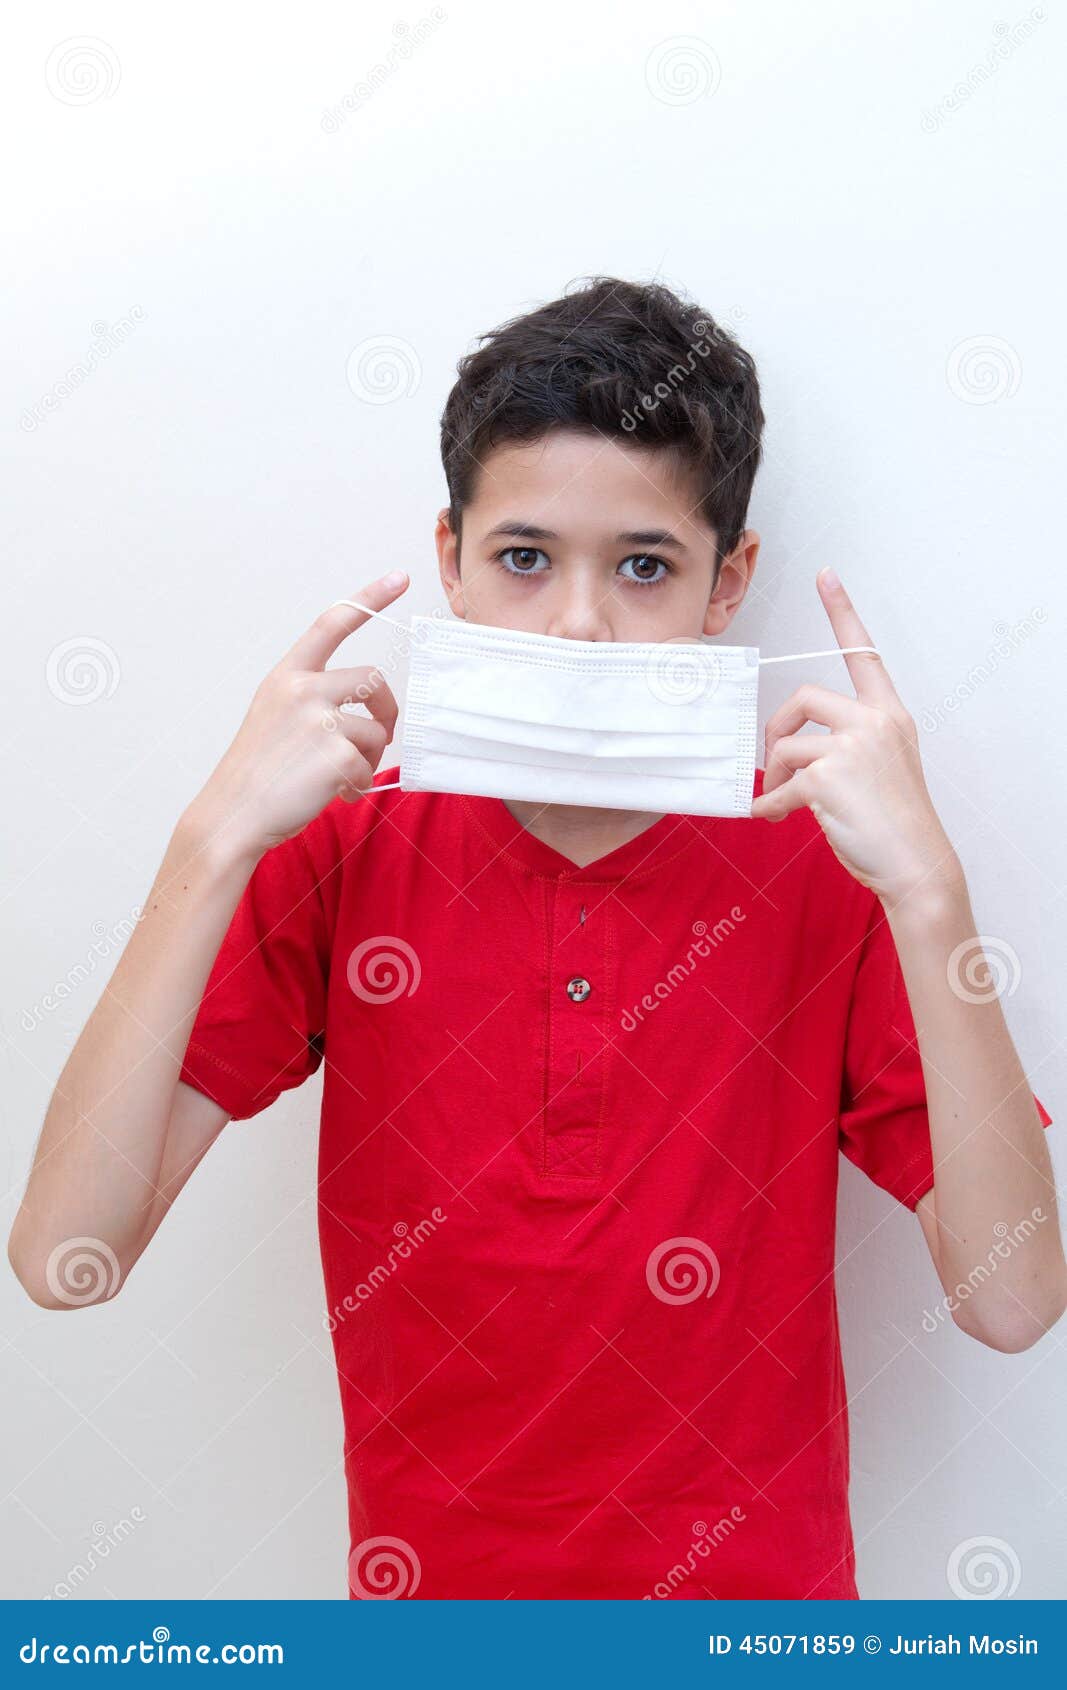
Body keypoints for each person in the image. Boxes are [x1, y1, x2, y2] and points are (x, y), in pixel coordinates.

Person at [9, 276, 1061, 1600]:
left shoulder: (826, 867)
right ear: (447, 561)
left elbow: (1015, 1301)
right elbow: (62, 1256)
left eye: (643, 565)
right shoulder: (341, 853)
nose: (577, 621)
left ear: (727, 583)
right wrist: (208, 842)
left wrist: (932, 894)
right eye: (523, 558)